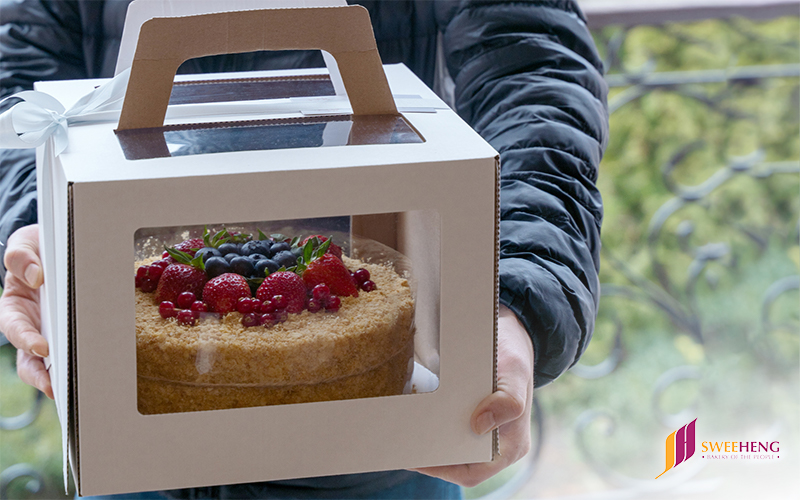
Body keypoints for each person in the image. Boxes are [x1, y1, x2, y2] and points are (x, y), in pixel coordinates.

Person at [0, 0, 607, 498]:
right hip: (128, 438)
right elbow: (17, 79)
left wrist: (507, 299)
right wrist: (42, 227)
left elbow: (535, 81)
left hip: (381, 448)